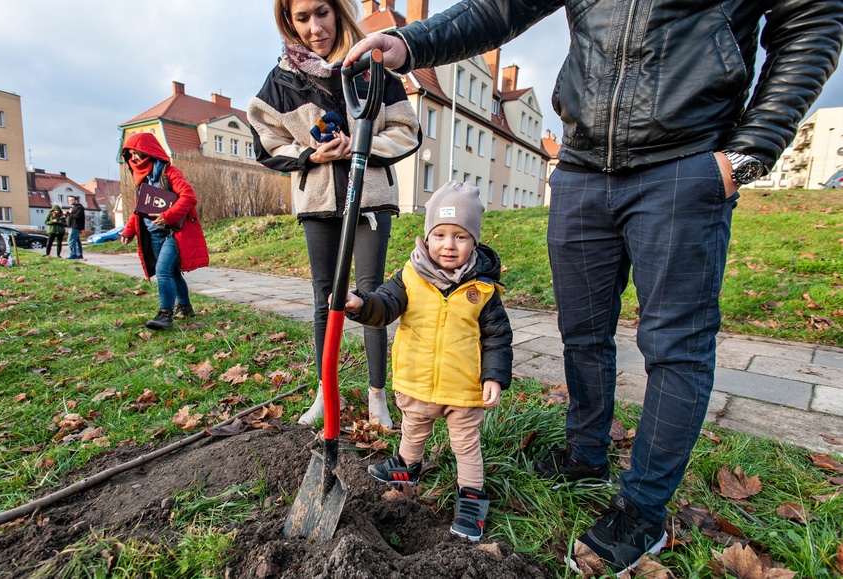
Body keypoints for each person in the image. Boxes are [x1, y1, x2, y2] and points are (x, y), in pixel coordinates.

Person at [344, 1, 843, 573]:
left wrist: (751, 151)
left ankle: (643, 509)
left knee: (675, 345)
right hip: (582, 165)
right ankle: (586, 455)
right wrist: (413, 43)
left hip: (685, 159)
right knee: (582, 332)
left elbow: (811, 17)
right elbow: (502, 6)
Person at [247, 0, 421, 428]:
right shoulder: (283, 79)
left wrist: (363, 147)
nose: (314, 27)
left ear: (337, 11)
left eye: (321, 13)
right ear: (289, 21)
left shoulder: (371, 66)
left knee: (370, 296)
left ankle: (377, 395)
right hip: (319, 203)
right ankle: (327, 393)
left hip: (370, 201)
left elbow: (406, 129)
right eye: (301, 18)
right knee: (325, 300)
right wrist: (310, 153)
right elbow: (268, 142)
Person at [342, 181, 512, 542]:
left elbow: (497, 337)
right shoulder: (410, 277)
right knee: (413, 428)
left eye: (460, 237)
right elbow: (384, 306)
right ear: (427, 237)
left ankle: (470, 498)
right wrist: (360, 304)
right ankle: (407, 467)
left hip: (464, 389)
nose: (449, 245)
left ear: (475, 242)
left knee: (466, 445)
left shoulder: (481, 289)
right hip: (418, 381)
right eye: (440, 235)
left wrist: (494, 376)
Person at [119, 133, 209, 330]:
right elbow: (138, 210)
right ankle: (185, 307)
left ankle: (165, 315)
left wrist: (168, 216)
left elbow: (189, 196)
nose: (134, 159)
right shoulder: (141, 181)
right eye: (131, 155)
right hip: (154, 234)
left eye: (138, 154)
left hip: (173, 233)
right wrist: (128, 231)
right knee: (173, 273)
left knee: (163, 272)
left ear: (149, 153)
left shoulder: (170, 173)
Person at [65, 195, 85, 260]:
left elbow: (78, 216)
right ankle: (79, 254)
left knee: (71, 240)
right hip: (72, 226)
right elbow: (71, 216)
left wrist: (68, 213)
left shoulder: (79, 207)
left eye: (71, 200)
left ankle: (73, 254)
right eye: (69, 200)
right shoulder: (73, 207)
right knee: (76, 241)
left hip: (75, 226)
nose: (70, 201)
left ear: (76, 200)